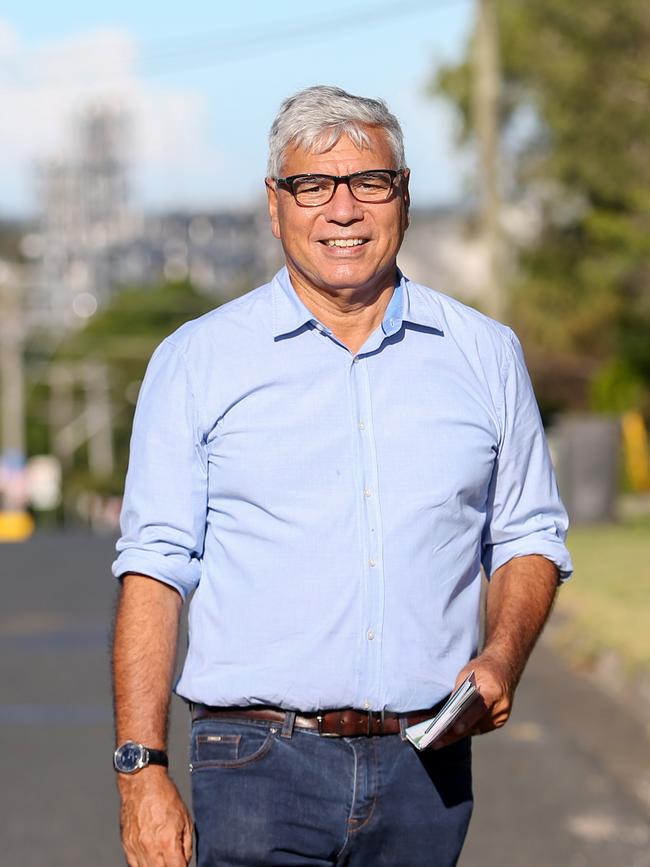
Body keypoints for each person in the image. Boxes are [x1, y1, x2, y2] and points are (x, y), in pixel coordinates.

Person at [111, 85, 572, 867]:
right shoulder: (197, 360)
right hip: (255, 762)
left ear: (404, 196)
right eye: (313, 185)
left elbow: (529, 532)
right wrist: (140, 771)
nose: (343, 210)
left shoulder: (484, 354)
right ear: (274, 203)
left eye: (370, 182)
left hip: (426, 762)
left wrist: (503, 655)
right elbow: (153, 571)